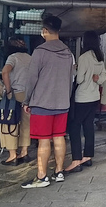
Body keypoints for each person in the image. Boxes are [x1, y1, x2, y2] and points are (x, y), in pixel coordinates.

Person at [21, 15, 75, 189]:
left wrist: (27, 100)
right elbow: (71, 78)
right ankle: (59, 172)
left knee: (44, 141)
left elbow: (31, 79)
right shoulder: (68, 52)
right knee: (59, 137)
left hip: (42, 103)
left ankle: (42, 176)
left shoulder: (40, 51)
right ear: (58, 31)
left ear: (44, 31)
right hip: (62, 103)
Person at [64, 31, 106, 174]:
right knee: (88, 126)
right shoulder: (99, 57)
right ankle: (87, 156)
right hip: (94, 96)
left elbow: (80, 79)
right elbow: (103, 77)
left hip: (82, 97)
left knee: (74, 127)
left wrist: (75, 71)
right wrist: (96, 79)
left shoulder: (83, 57)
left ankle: (76, 159)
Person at [0, 37, 32, 165]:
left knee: (9, 123)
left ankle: (13, 155)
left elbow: (4, 72)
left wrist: (8, 90)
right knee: (26, 124)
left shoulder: (13, 57)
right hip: (28, 95)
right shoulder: (30, 58)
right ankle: (24, 152)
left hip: (15, 94)